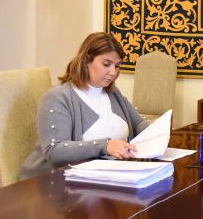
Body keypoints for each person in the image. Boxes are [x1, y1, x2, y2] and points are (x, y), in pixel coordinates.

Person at [20, 32, 150, 179]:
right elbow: (54, 151)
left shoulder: (113, 93)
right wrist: (105, 146)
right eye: (106, 64)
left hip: (107, 178)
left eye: (117, 66)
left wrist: (156, 134)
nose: (113, 72)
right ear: (87, 60)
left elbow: (139, 123)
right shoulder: (58, 97)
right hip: (55, 184)